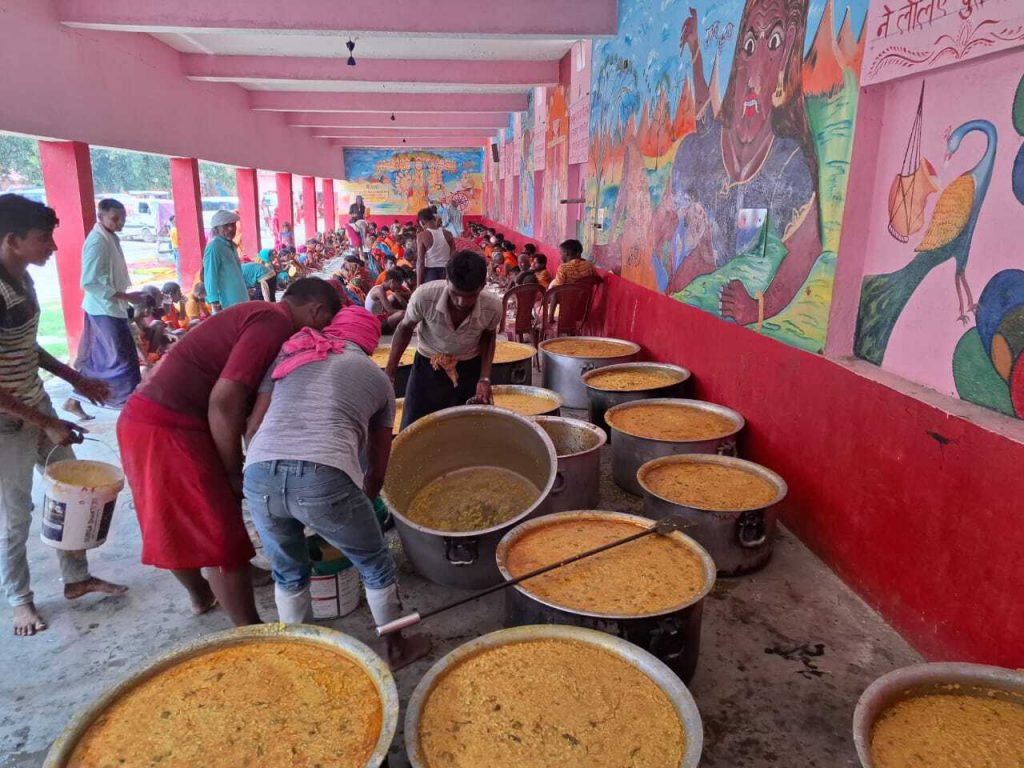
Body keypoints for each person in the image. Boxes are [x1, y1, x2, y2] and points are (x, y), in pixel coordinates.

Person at [117, 278, 341, 625]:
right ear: (316, 311)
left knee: (177, 518)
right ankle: (249, 631)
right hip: (166, 425)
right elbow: (224, 402)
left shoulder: (259, 313)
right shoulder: (274, 323)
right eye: (324, 324)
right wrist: (234, 473)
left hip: (150, 418)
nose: (319, 333)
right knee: (218, 531)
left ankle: (205, 594)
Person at [243, 306, 429, 669]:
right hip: (322, 473)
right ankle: (395, 650)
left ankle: (299, 657)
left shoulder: (288, 356)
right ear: (369, 342)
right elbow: (376, 470)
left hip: (259, 472)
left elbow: (253, 428)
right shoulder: (376, 378)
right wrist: (356, 509)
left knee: (288, 572)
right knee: (375, 563)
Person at [0, 194, 127, 637]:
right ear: (12, 240)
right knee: (16, 514)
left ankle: (76, 578)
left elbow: (25, 346)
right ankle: (20, 600)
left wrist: (76, 378)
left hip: (34, 403)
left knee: (72, 492)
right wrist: (46, 422)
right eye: (43, 238)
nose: (53, 247)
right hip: (7, 422)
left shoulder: (21, 280)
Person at [387, 250, 500, 428]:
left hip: (468, 368)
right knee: (413, 427)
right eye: (455, 293)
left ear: (483, 286)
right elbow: (405, 328)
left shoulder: (493, 306)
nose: (461, 302)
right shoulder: (424, 297)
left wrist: (484, 378)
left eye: (470, 296)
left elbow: (488, 336)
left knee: (465, 429)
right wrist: (390, 371)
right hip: (426, 368)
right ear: (446, 280)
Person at [63, 198, 144, 420]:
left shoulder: (109, 237)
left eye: (123, 218)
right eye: (115, 218)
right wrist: (126, 296)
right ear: (101, 217)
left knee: (105, 361)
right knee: (122, 362)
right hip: (103, 309)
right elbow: (89, 282)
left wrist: (125, 297)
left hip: (112, 308)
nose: (121, 222)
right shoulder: (97, 241)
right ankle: (130, 409)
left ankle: (74, 400)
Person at [202, 210, 247, 312]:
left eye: (233, 225)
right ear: (216, 229)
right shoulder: (214, 247)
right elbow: (210, 276)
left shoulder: (231, 246)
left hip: (240, 299)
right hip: (227, 303)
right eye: (226, 226)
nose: (231, 228)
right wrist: (214, 301)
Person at [415, 207, 454, 285]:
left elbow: (420, 262)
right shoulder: (449, 234)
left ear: (422, 222)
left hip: (431, 273)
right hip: (447, 272)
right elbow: (453, 257)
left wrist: (418, 285)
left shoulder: (422, 235)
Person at [364, 269, 408, 333]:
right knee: (403, 314)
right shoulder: (379, 290)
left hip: (378, 318)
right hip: (374, 322)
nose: (399, 287)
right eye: (399, 284)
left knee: (396, 302)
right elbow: (390, 310)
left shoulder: (381, 289)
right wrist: (408, 312)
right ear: (392, 281)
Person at [168, 215, 180, 285]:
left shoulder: (173, 229)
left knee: (178, 266)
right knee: (179, 267)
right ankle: (180, 282)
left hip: (175, 249)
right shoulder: (175, 230)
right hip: (177, 249)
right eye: (175, 221)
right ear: (172, 222)